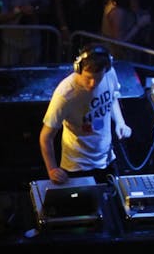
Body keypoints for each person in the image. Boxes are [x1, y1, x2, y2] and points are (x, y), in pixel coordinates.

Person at [39, 46, 132, 184]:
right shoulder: (65, 95)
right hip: (78, 166)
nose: (93, 83)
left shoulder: (109, 73)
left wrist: (120, 122)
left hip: (107, 158)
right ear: (78, 69)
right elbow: (45, 137)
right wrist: (51, 169)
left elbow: (111, 98)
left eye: (98, 78)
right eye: (88, 78)